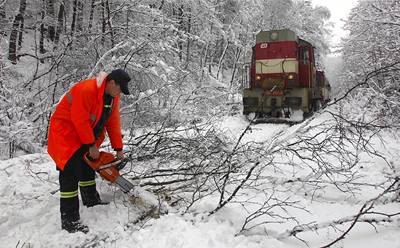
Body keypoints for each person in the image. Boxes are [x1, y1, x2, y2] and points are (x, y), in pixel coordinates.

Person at [47, 69, 131, 233]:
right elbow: (79, 120)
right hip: (65, 134)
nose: (120, 93)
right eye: (120, 88)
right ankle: (69, 220)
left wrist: (118, 149)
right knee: (70, 173)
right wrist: (91, 145)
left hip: (85, 135)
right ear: (112, 82)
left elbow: (113, 122)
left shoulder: (112, 97)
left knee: (88, 165)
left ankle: (91, 199)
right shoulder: (87, 90)